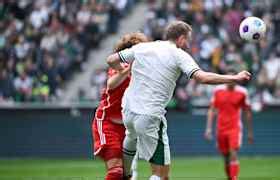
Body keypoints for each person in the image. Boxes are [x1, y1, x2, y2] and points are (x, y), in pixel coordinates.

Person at [106, 20, 251, 180]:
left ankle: (126, 174)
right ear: (181, 38)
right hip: (149, 115)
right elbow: (202, 77)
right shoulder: (179, 55)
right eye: (187, 40)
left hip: (128, 110)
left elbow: (111, 60)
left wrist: (121, 70)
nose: (188, 44)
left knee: (131, 135)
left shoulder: (143, 47)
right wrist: (234, 78)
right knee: (160, 174)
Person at [92, 32, 149, 180]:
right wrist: (126, 71)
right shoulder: (121, 65)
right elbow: (111, 84)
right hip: (107, 122)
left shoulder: (145, 72)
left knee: (125, 175)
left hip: (127, 128)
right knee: (116, 171)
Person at [204, 69, 254, 180]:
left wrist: (250, 132)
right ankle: (230, 177)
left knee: (233, 154)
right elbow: (212, 110)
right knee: (226, 157)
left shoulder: (242, 92)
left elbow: (247, 112)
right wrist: (208, 129)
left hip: (234, 128)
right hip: (221, 129)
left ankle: (234, 177)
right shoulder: (218, 91)